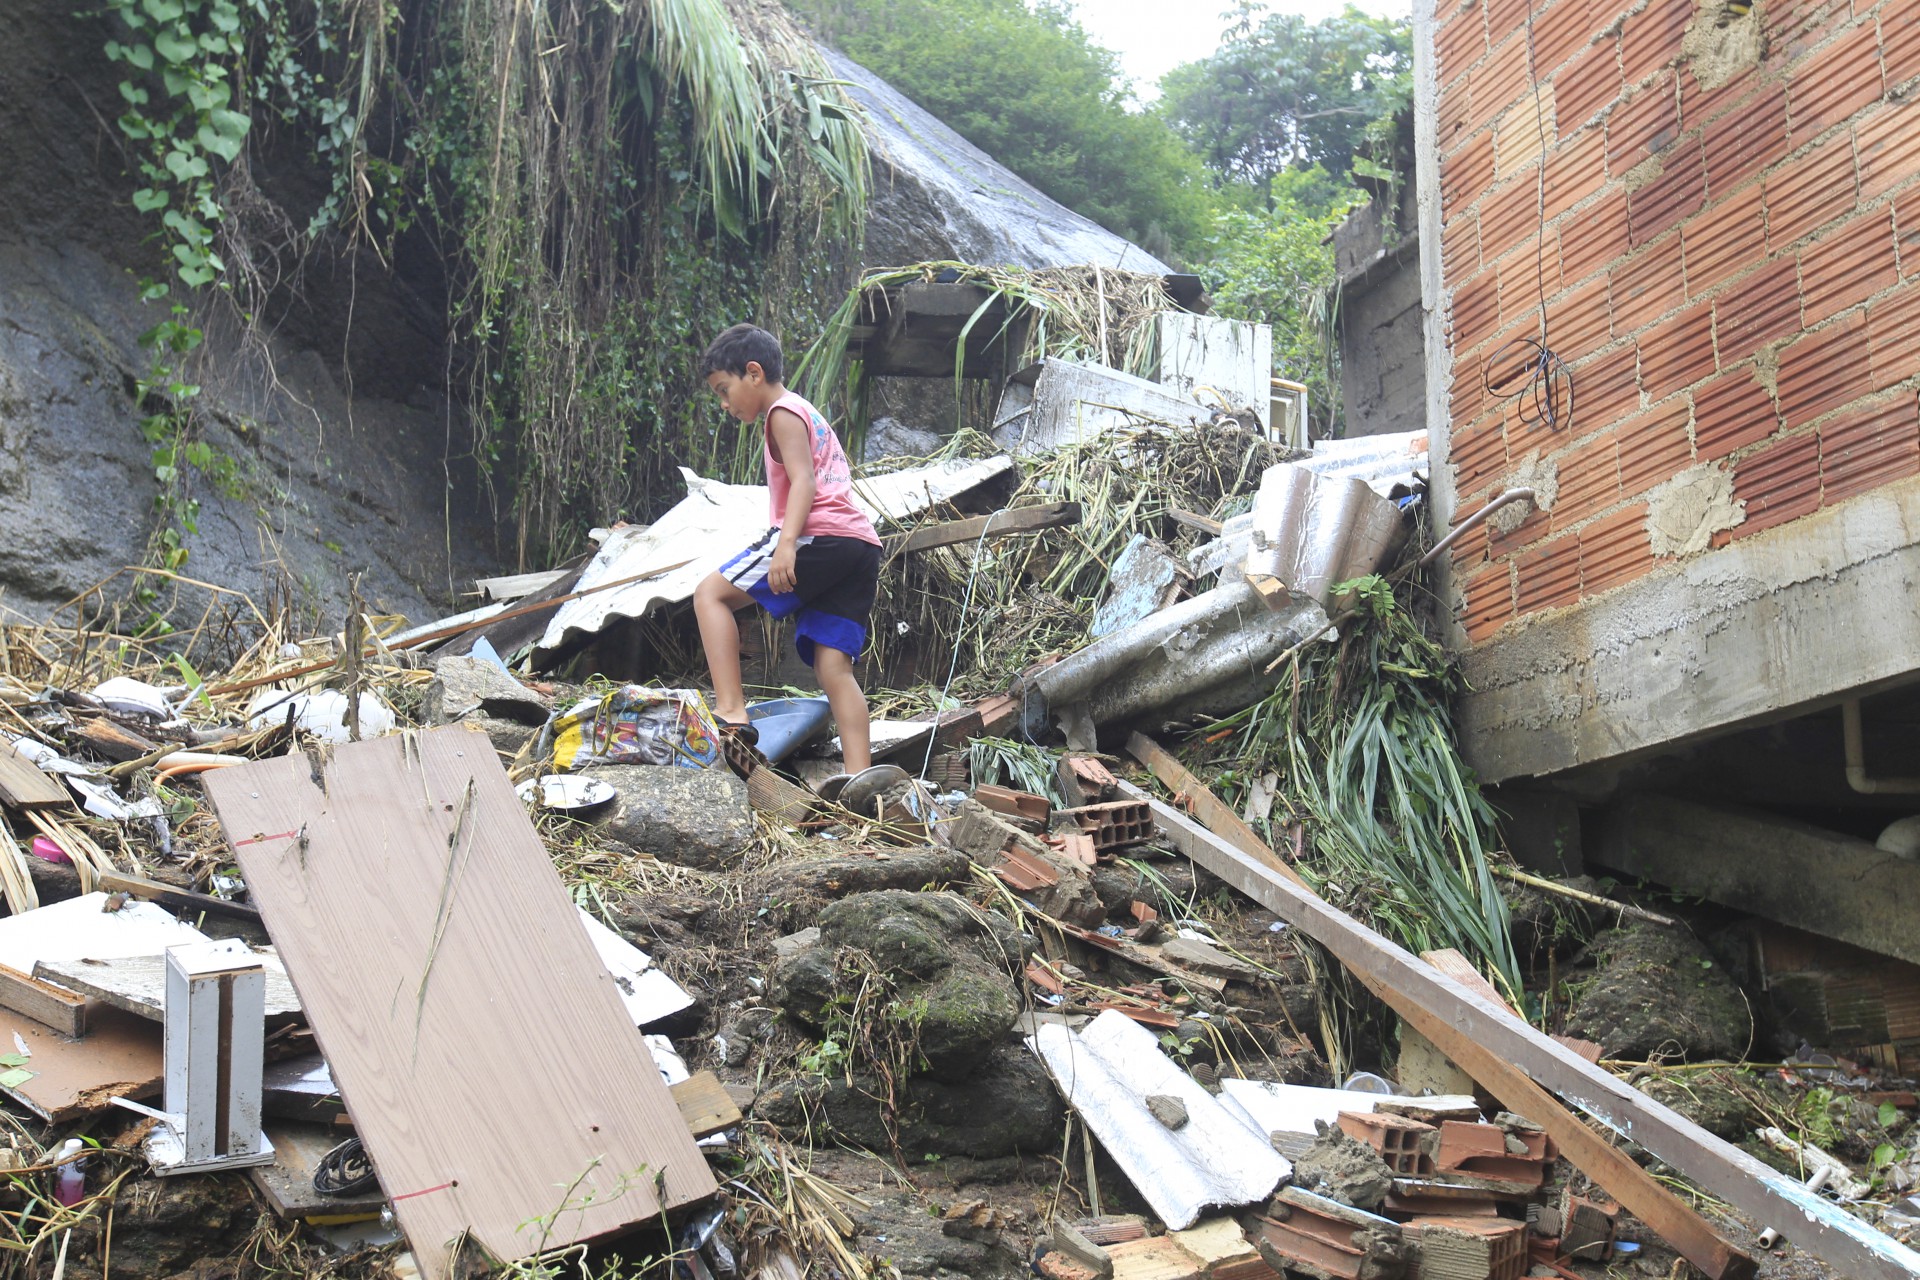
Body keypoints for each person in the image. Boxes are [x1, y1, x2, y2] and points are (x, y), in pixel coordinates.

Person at [693, 323, 881, 774]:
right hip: (858, 546)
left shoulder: (781, 412)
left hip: (821, 536)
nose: (724, 403)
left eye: (724, 389)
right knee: (833, 669)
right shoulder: (805, 411)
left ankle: (732, 709)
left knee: (710, 595)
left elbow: (804, 482)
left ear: (753, 373)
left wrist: (786, 544)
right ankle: (859, 778)